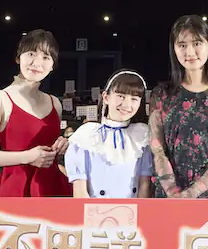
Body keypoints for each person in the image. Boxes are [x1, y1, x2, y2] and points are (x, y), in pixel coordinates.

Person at [148, 15, 208, 199]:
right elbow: (157, 150)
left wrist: (193, 193)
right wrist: (174, 192)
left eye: (197, 43)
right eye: (182, 45)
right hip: (169, 197)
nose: (189, 52)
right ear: (174, 48)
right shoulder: (162, 95)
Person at [0, 30, 71, 197]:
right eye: (31, 54)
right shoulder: (1, 99)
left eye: (46, 57)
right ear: (18, 58)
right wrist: (27, 157)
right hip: (16, 190)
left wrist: (62, 145)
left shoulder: (55, 103)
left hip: (52, 189)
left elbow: (49, 148)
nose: (37, 62)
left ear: (52, 65)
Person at [65, 70, 153, 198]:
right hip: (95, 208)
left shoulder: (142, 136)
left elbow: (144, 186)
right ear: (106, 97)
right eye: (121, 96)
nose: (127, 104)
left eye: (134, 99)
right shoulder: (86, 135)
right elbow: (80, 191)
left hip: (131, 208)